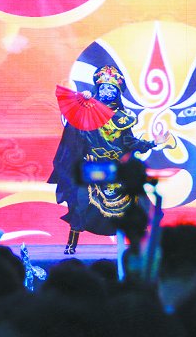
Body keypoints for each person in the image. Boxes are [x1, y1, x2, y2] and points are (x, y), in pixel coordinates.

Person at [49, 65, 167, 254]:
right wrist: (80, 104)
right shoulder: (86, 113)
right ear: (97, 89)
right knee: (80, 200)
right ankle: (71, 243)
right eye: (103, 87)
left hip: (115, 168)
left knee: (139, 200)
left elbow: (130, 143)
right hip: (93, 168)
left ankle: (145, 242)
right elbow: (74, 133)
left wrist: (153, 143)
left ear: (117, 93)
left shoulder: (123, 118)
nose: (106, 91)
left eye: (111, 88)